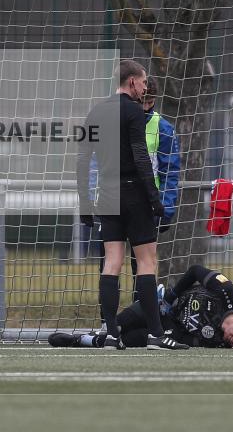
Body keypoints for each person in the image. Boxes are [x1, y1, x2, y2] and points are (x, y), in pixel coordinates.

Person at [76, 59, 186, 350]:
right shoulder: (135, 112)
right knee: (147, 263)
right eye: (143, 81)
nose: (145, 87)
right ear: (133, 82)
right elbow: (140, 158)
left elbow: (82, 159)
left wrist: (85, 203)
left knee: (111, 263)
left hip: (107, 195)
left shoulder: (97, 111)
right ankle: (155, 335)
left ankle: (111, 334)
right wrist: (155, 200)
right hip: (134, 195)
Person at [89, 76, 181, 303]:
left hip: (146, 205)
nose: (144, 107)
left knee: (143, 264)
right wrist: (93, 198)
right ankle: (107, 324)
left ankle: (140, 318)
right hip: (113, 200)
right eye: (141, 102)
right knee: (110, 262)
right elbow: (94, 162)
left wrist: (166, 208)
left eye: (149, 103)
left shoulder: (163, 128)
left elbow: (169, 172)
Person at [48, 265, 233, 349]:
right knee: (118, 327)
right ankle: (91, 336)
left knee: (128, 342)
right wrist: (171, 298)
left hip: (170, 326)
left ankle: (79, 341)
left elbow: (186, 339)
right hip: (160, 306)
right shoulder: (226, 292)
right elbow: (194, 271)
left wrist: (170, 330)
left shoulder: (219, 342)